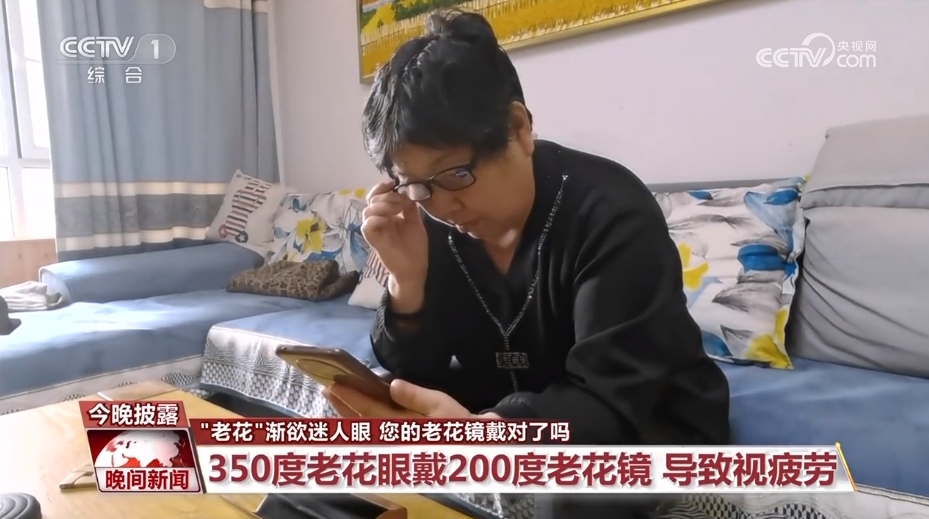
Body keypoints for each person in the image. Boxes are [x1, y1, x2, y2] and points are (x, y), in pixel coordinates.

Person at [323, 9, 730, 518]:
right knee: (361, 417)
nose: (443, 205)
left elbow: (612, 395)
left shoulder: (610, 210)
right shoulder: (433, 217)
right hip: (516, 404)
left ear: (518, 129)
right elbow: (415, 368)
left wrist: (493, 435)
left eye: (455, 174)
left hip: (646, 416)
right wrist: (408, 281)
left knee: (568, 492)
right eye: (416, 184)